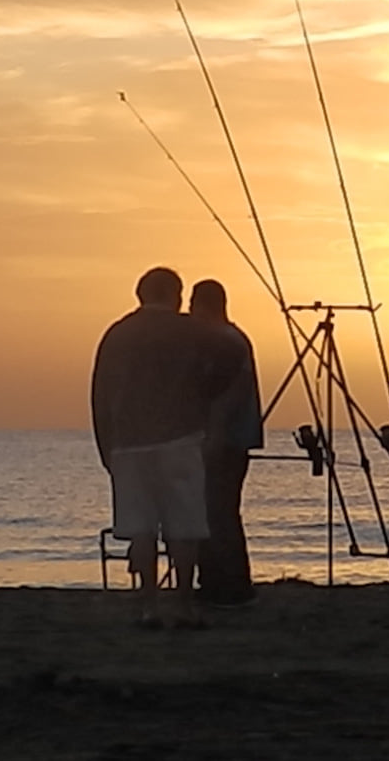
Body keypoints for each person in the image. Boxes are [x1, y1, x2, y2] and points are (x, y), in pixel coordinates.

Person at [91, 266, 246, 629]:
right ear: (175, 296)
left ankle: (148, 604)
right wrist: (206, 401)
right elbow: (234, 354)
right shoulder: (193, 330)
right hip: (181, 437)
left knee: (141, 528)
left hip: (128, 444)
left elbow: (100, 393)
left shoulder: (117, 334)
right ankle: (183, 604)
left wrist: (105, 443)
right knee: (185, 525)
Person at [189, 279, 264, 608]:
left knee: (215, 512)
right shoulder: (233, 339)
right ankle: (221, 581)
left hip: (225, 441)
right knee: (219, 511)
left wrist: (213, 433)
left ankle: (228, 584)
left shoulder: (224, 342)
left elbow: (226, 396)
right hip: (233, 439)